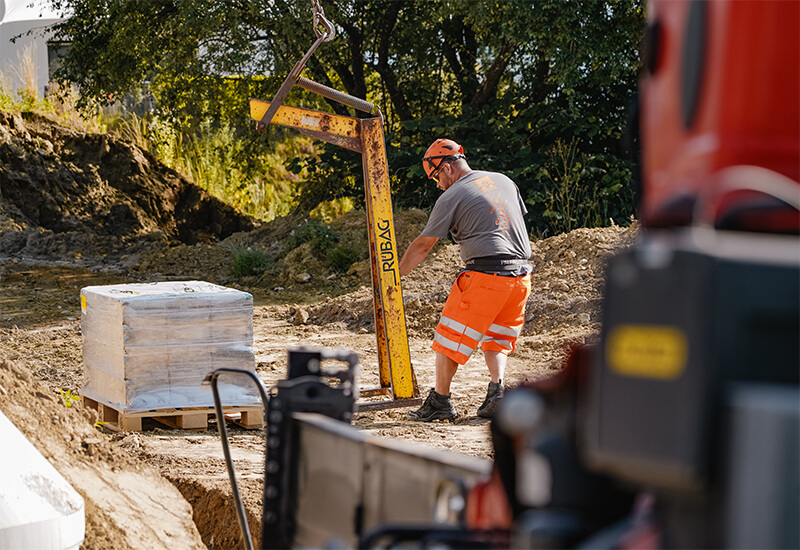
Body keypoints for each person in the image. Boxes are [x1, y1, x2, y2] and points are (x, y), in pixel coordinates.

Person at [399, 138, 532, 422]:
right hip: (521, 277)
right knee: (498, 336)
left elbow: (424, 245)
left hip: (486, 276)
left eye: (436, 176)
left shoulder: (452, 195)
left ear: (447, 167)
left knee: (449, 337)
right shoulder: (504, 181)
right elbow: (507, 219)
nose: (437, 184)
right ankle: (497, 394)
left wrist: (394, 277)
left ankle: (440, 401)